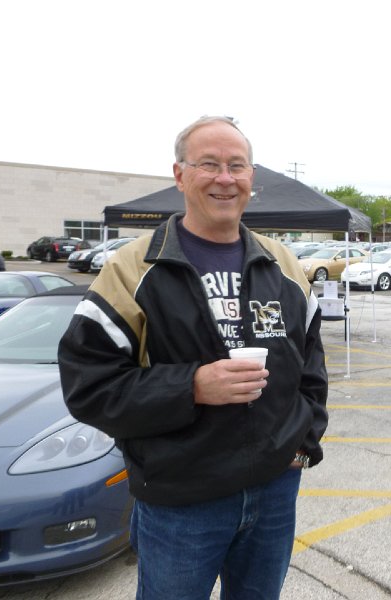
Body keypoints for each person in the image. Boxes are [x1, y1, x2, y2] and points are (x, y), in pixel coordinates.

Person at [58, 116, 328, 600]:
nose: (225, 178)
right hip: (181, 502)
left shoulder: (284, 266)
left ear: (251, 181)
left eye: (237, 166)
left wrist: (303, 443)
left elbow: (311, 369)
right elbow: (88, 385)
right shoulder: (132, 269)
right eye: (209, 164)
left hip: (273, 491)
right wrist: (192, 386)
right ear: (180, 175)